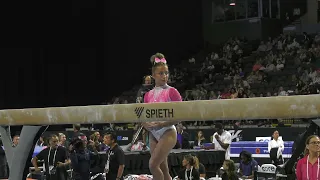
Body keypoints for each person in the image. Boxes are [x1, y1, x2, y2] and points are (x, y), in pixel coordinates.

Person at [143, 52, 182, 180]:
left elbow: (180, 116)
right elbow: (143, 117)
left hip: (168, 131)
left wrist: (162, 124)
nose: (164, 76)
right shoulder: (147, 95)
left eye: (166, 73)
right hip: (153, 133)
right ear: (153, 75)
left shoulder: (172, 92)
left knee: (153, 165)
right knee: (164, 171)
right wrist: (145, 125)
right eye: (161, 73)